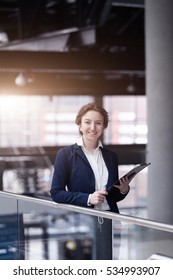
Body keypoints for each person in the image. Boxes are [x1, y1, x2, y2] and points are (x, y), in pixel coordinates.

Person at [50, 102, 133, 259]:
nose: (93, 127)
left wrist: (123, 189)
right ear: (80, 125)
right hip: (83, 222)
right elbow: (56, 193)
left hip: (111, 220)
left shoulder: (110, 156)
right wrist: (88, 198)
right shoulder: (65, 154)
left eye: (98, 123)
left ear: (103, 127)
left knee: (109, 267)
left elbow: (112, 196)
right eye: (88, 122)